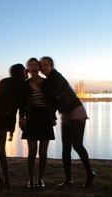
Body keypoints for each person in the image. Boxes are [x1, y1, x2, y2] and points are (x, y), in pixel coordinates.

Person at [39, 56, 95, 188]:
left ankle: (90, 174)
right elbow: (53, 100)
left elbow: (51, 97)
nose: (44, 67)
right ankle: (68, 180)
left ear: (52, 66)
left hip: (76, 111)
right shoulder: (48, 80)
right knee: (65, 148)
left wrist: (51, 103)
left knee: (77, 145)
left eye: (46, 65)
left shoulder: (56, 76)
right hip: (65, 113)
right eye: (42, 65)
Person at [0, 64, 27, 190]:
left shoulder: (17, 86)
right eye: (24, 71)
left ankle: (5, 181)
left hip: (0, 123)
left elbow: (14, 111)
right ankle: (2, 181)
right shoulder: (7, 84)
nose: (26, 73)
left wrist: (11, 130)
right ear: (19, 73)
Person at [19, 58, 56, 189]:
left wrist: (53, 116)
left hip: (45, 118)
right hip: (31, 118)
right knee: (32, 153)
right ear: (28, 68)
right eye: (31, 65)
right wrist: (21, 118)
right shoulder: (24, 84)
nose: (34, 66)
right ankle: (30, 180)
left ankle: (40, 179)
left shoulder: (46, 83)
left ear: (39, 68)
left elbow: (52, 101)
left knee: (43, 153)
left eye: (36, 65)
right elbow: (21, 104)